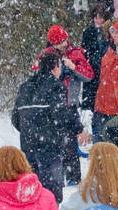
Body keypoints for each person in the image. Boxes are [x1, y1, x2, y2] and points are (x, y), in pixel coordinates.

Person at [12, 53, 87, 202]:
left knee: (30, 188)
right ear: (55, 67)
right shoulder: (56, 86)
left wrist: (29, 130)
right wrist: (78, 129)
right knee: (50, 191)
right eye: (60, 66)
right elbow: (61, 114)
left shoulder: (25, 86)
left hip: (28, 145)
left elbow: (15, 118)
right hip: (49, 145)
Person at [40, 25, 94, 186]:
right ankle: (55, 175)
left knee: (69, 142)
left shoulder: (76, 53)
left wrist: (74, 67)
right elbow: (36, 70)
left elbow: (89, 75)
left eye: (64, 41)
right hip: (50, 104)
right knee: (52, 142)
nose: (63, 44)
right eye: (58, 43)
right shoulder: (46, 55)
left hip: (69, 102)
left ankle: (73, 177)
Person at [80, 1, 114, 113]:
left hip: (107, 68)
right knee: (91, 97)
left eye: (101, 18)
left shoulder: (111, 32)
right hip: (93, 68)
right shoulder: (88, 32)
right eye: (96, 17)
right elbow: (84, 51)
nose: (99, 20)